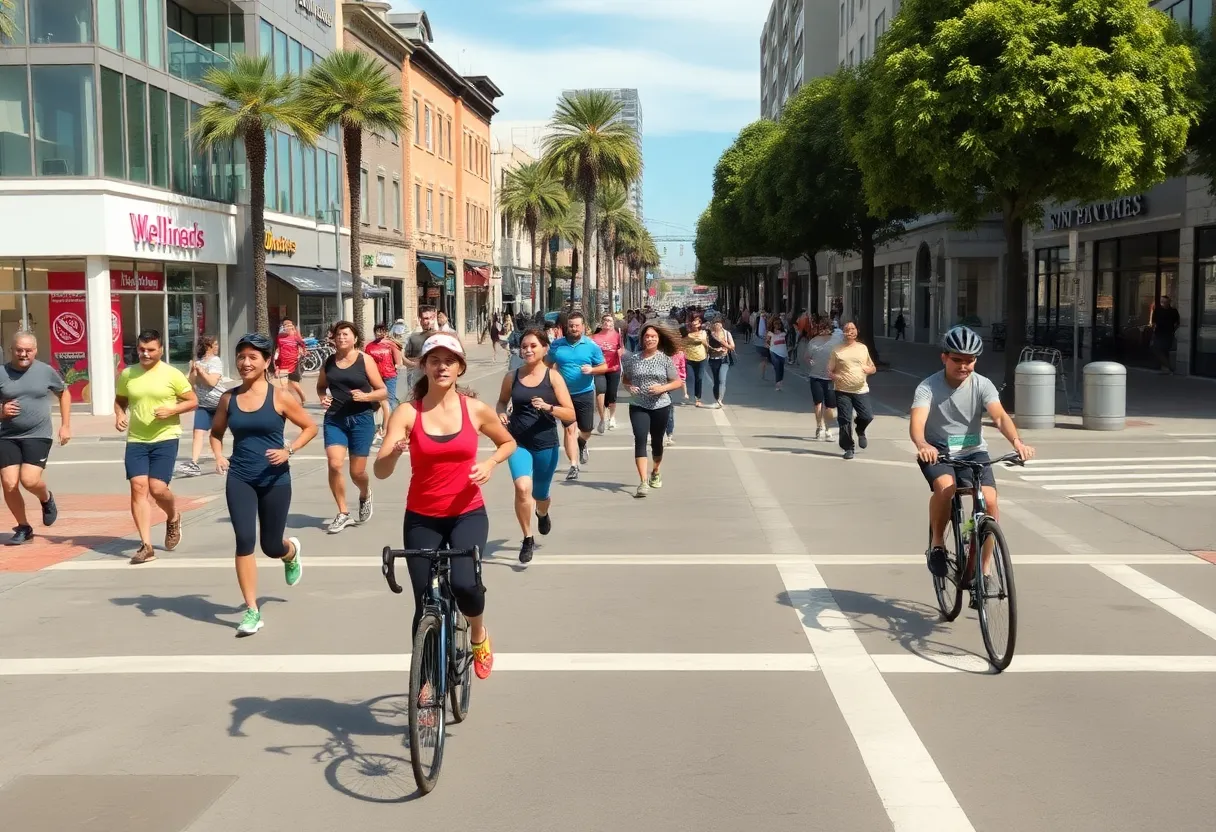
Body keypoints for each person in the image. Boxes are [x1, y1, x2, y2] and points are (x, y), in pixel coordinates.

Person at [374, 333, 517, 681]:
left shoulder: (475, 409)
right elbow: (379, 471)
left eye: (449, 360)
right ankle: (425, 682)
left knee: (466, 585)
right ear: (423, 366)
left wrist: (491, 463)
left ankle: (479, 635)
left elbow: (508, 442)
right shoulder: (408, 413)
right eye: (434, 360)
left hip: (467, 513)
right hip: (422, 517)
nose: (441, 367)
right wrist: (393, 453)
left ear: (460, 367)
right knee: (423, 602)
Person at [210, 333, 318, 636]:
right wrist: (219, 455)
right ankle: (251, 610)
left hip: (274, 478)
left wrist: (289, 450)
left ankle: (289, 552)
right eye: (241, 357)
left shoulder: (280, 396)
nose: (245, 363)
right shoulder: (228, 399)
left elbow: (310, 427)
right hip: (240, 477)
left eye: (252, 357)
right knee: (244, 539)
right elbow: (216, 433)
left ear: (267, 361)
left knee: (270, 546)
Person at [911, 326, 1034, 583]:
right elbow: (917, 422)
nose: (964, 366)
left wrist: (1017, 442)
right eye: (958, 360)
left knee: (989, 503)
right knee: (946, 488)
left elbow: (999, 416)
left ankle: (984, 569)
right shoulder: (928, 387)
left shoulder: (982, 385)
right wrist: (923, 444)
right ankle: (937, 545)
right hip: (938, 452)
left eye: (970, 361)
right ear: (944, 357)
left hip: (973, 451)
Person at [115, 330, 198, 564]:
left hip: (165, 436)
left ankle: (173, 516)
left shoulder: (172, 374)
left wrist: (172, 410)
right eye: (142, 349)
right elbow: (120, 400)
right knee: (138, 486)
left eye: (151, 350)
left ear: (161, 350)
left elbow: (192, 401)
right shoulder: (128, 374)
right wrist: (120, 414)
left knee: (157, 488)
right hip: (137, 439)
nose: (145, 353)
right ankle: (146, 545)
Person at [496, 328, 575, 563]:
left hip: (545, 443)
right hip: (517, 442)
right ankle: (527, 538)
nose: (528, 350)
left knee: (540, 494)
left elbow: (569, 412)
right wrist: (501, 414)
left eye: (533, 346)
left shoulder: (553, 378)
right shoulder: (512, 376)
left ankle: (542, 512)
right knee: (522, 488)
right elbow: (501, 402)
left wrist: (549, 407)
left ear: (544, 349)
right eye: (524, 346)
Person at [317, 321, 388, 533]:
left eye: (346, 334)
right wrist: (323, 397)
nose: (341, 338)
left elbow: (382, 391)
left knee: (357, 472)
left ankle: (365, 493)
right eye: (338, 335)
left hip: (361, 419)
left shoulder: (364, 360)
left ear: (355, 338)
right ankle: (343, 512)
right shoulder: (329, 362)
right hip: (335, 419)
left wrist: (366, 396)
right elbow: (321, 386)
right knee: (335, 464)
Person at [0, 332, 69, 545]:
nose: (23, 354)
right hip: (6, 435)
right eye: (19, 350)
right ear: (11, 350)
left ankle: (46, 498)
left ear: (35, 350)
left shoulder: (45, 371)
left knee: (29, 480)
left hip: (38, 434)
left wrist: (66, 425)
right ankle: (23, 527)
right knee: (9, 483)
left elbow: (63, 392)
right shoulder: (1, 372)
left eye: (28, 350)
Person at [544, 311, 607, 481]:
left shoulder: (591, 346)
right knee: (569, 429)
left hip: (585, 392)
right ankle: (573, 465)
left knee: (586, 429)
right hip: (563, 395)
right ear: (567, 327)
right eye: (571, 326)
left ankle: (582, 442)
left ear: (583, 327)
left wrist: (592, 370)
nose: (573, 328)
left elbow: (604, 366)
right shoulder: (557, 345)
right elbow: (546, 365)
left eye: (577, 326)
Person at [623, 324, 682, 498]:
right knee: (640, 439)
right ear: (642, 339)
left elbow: (677, 382)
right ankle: (642, 482)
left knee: (657, 442)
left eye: (653, 336)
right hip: (638, 404)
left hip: (660, 405)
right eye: (647, 336)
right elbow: (625, 379)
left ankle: (655, 471)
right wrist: (629, 387)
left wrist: (662, 388)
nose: (650, 339)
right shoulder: (633, 359)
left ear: (658, 339)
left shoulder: (664, 359)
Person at [827, 322, 876, 460]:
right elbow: (829, 370)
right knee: (844, 419)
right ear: (843, 332)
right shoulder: (837, 350)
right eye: (847, 329)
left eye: (853, 328)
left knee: (867, 416)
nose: (850, 331)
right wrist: (835, 376)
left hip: (861, 389)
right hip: (842, 390)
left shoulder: (863, 348)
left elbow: (872, 367)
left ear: (856, 332)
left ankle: (860, 429)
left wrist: (870, 370)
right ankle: (848, 447)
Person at [181, 335, 224, 476]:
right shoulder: (197, 362)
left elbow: (212, 382)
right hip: (204, 405)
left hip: (220, 404)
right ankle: (193, 463)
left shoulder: (216, 361)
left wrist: (201, 371)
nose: (217, 347)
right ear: (207, 346)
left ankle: (220, 460)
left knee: (216, 434)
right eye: (215, 344)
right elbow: (191, 383)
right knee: (198, 433)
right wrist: (193, 370)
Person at [805, 318, 842, 442]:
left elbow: (842, 355)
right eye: (821, 328)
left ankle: (828, 427)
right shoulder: (813, 342)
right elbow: (807, 357)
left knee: (830, 407)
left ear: (830, 329)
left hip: (831, 378)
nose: (823, 330)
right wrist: (810, 361)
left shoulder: (837, 341)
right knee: (818, 403)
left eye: (825, 328)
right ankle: (819, 427)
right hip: (816, 376)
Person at [366, 322, 404, 439]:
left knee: (390, 401)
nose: (379, 333)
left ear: (386, 332)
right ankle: (375, 428)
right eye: (377, 330)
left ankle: (390, 427)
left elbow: (399, 362)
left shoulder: (391, 345)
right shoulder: (369, 346)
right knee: (375, 402)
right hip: (375, 377)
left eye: (382, 330)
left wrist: (396, 366)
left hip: (389, 376)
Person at [591, 312, 624, 433]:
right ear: (601, 323)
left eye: (609, 320)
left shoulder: (617, 335)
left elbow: (622, 349)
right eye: (605, 320)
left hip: (614, 369)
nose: (607, 322)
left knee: (611, 395)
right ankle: (602, 419)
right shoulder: (595, 337)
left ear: (613, 323)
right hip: (599, 369)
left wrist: (621, 353)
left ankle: (612, 417)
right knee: (600, 391)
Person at [401, 306, 439, 398]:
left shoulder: (441, 335)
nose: (429, 321)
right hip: (416, 379)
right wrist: (415, 365)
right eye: (426, 318)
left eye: (432, 318)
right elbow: (404, 357)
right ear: (420, 320)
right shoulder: (413, 337)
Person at [273, 320, 308, 405]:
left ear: (292, 326)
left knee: (294, 384)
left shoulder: (296, 337)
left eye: (289, 325)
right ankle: (287, 404)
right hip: (282, 364)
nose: (287, 327)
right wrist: (275, 365)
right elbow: (277, 349)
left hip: (294, 364)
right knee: (283, 386)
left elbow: (303, 345)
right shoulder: (279, 338)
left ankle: (303, 399)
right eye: (285, 325)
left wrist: (302, 352)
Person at [706, 316, 735, 407]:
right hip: (713, 360)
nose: (718, 324)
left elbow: (732, 347)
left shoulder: (727, 333)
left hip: (724, 359)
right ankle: (716, 398)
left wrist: (723, 344)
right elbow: (706, 346)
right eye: (716, 323)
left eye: (720, 323)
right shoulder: (709, 335)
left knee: (722, 380)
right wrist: (713, 348)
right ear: (713, 324)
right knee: (716, 381)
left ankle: (720, 400)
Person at [682, 314, 709, 407]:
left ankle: (698, 398)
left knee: (699, 378)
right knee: (690, 377)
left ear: (700, 323)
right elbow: (682, 342)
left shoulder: (703, 333)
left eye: (697, 321)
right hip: (688, 358)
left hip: (701, 357)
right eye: (693, 321)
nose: (694, 322)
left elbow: (705, 343)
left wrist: (709, 349)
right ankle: (687, 395)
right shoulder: (686, 332)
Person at [1152, 295, 1181, 374]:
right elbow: (1153, 321)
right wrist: (1154, 329)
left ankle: (1166, 369)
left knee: (1164, 350)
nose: (1163, 303)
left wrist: (1173, 330)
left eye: (1165, 302)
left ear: (1169, 302)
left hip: (1168, 334)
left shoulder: (1173, 311)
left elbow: (1177, 323)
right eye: (1162, 302)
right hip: (1159, 333)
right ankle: (1168, 367)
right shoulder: (1157, 310)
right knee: (1157, 349)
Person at [766, 315, 789, 392]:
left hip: (782, 352)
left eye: (779, 324)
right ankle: (778, 383)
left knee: (781, 367)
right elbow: (767, 341)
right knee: (777, 367)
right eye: (776, 324)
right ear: (773, 325)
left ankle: (780, 381)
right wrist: (769, 346)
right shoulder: (770, 333)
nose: (777, 325)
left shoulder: (784, 332)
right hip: (774, 352)